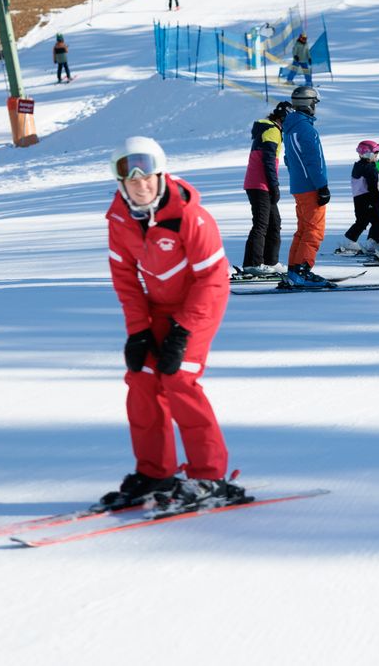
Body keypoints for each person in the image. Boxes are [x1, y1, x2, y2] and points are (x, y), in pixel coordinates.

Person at [103, 136, 249, 513]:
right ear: (121, 183)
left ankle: (208, 475)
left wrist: (183, 332)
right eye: (131, 179)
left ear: (161, 173)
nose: (141, 184)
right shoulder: (119, 217)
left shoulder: (190, 216)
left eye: (147, 175)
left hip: (200, 303)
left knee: (178, 377)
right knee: (142, 377)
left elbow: (214, 280)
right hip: (157, 307)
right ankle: (156, 472)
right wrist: (138, 331)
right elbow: (124, 277)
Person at [282, 86, 330, 286]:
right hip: (310, 186)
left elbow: (288, 158)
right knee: (314, 230)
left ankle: (294, 270)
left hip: (299, 186)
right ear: (308, 104)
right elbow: (314, 160)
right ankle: (302, 271)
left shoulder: (290, 127)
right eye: (314, 103)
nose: (315, 107)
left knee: (303, 229)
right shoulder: (306, 129)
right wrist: (322, 186)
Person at [241, 101, 293, 276]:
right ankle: (252, 264)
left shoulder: (270, 129)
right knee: (261, 223)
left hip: (261, 184)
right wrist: (274, 185)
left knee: (274, 222)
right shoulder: (272, 130)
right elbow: (268, 160)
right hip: (259, 184)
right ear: (282, 118)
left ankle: (271, 261)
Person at [338, 140, 379, 254]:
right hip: (368, 198)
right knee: (365, 221)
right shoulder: (369, 168)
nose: (377, 156)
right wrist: (377, 199)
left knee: (373, 220)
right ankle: (350, 241)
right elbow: (372, 186)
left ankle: (373, 241)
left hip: (359, 198)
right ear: (368, 154)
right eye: (376, 154)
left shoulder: (359, 166)